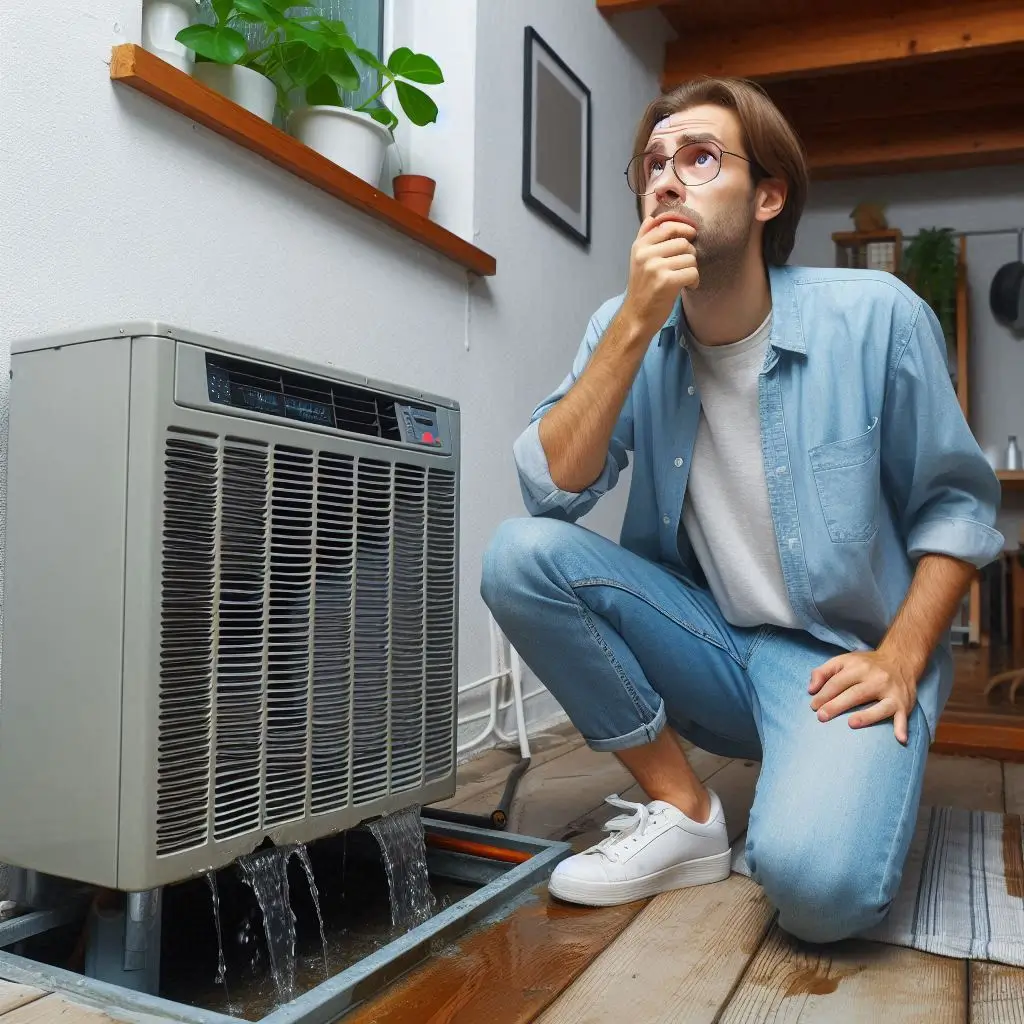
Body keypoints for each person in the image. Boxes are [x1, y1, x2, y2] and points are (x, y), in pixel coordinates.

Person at [480, 77, 1003, 944]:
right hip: (710, 644)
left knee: (820, 891)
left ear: (768, 195)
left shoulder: (877, 317)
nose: (666, 180)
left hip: (844, 662)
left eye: (699, 156)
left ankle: (840, 784)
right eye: (653, 164)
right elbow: (549, 489)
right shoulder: (627, 326)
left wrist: (905, 656)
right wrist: (634, 327)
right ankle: (685, 810)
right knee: (519, 554)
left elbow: (955, 505)